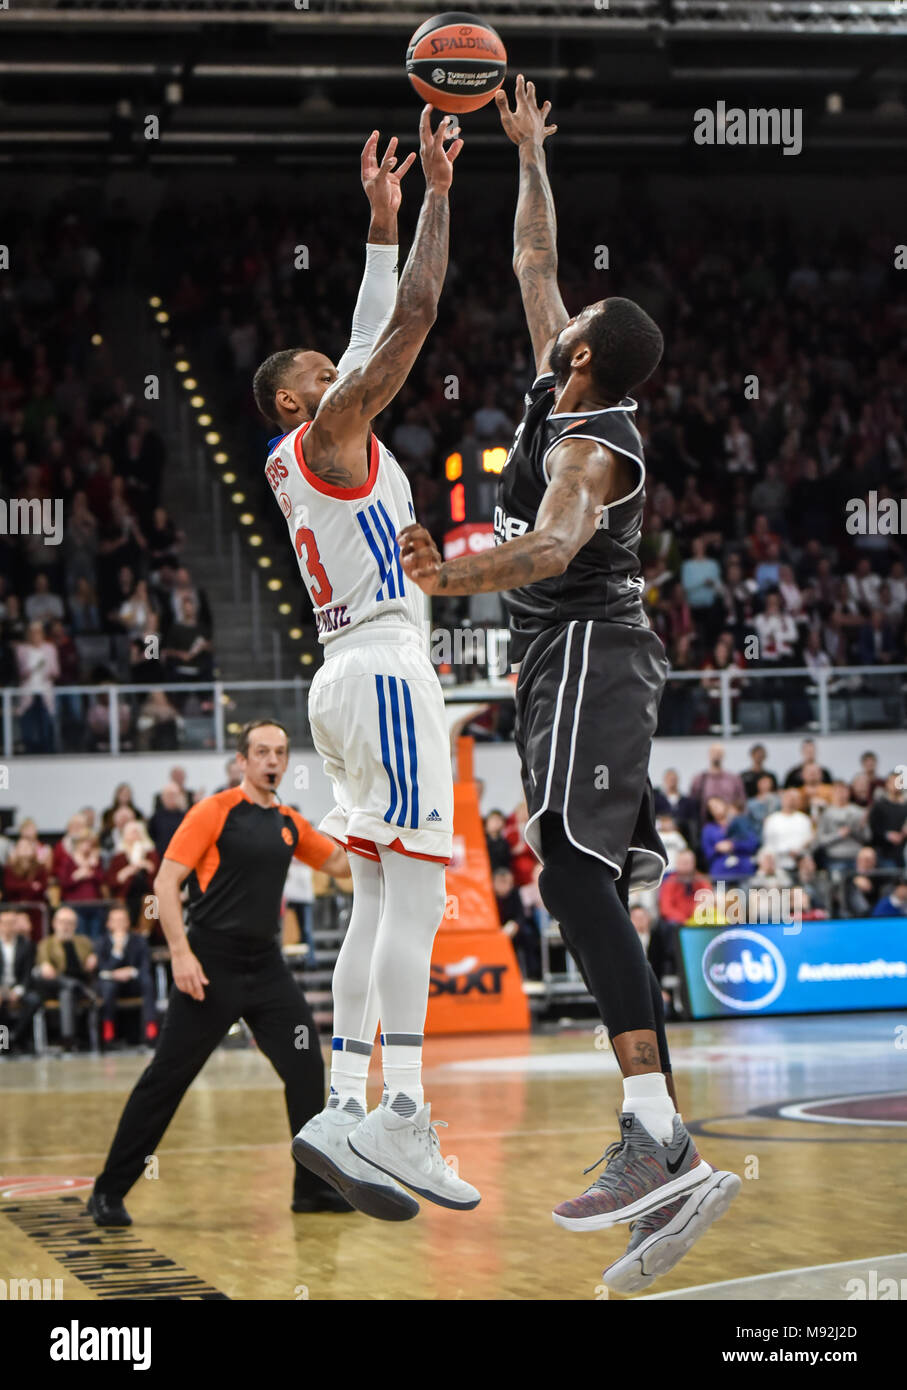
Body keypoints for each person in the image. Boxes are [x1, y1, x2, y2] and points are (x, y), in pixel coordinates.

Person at [397, 75, 738, 1292]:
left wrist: (452, 578)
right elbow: (534, 253)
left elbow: (549, 550)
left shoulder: (594, 447)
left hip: (591, 641)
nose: (554, 311)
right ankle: (663, 1148)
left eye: (571, 317)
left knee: (575, 869)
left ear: (584, 353)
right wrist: (527, 154)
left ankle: (656, 1133)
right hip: (562, 654)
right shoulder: (562, 379)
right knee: (572, 873)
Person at [253, 113, 478, 1217]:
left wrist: (377, 225)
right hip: (384, 672)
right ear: (302, 400)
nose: (336, 361)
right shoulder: (334, 426)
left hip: (345, 672)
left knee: (379, 900)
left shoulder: (316, 443)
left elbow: (366, 320)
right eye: (318, 368)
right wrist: (437, 194)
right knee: (421, 894)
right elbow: (411, 318)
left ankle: (344, 1101)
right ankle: (404, 1112)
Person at [87, 720, 355, 1226]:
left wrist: (378, 826)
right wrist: (182, 954)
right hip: (209, 969)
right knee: (167, 1079)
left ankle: (312, 1190)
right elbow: (165, 885)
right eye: (261, 752)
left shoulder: (290, 823)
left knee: (306, 1068)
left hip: (267, 970)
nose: (272, 761)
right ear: (242, 760)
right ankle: (107, 1192)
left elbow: (339, 866)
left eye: (279, 752)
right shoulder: (213, 811)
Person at [34, 906, 99, 1051]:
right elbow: (44, 966)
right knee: (65, 987)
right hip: (56, 983)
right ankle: (75, 987)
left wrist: (94, 958)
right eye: (63, 922)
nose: (66, 926)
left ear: (75, 925)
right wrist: (45, 965)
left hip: (80, 983)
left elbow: (93, 959)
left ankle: (68, 1039)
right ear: (54, 923)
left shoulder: (84, 942)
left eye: (70, 923)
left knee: (67, 992)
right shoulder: (47, 943)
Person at [95, 905, 158, 1046]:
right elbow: (102, 969)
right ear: (108, 924)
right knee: (108, 987)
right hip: (111, 983)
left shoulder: (139, 940)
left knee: (147, 981)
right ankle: (108, 1029)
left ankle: (151, 1027)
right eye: (115, 920)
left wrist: (131, 972)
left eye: (122, 920)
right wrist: (117, 952)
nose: (119, 924)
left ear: (128, 922)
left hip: (133, 981)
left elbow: (145, 965)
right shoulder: (101, 942)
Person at [0, 908, 41, 1054]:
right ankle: (3, 1043)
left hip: (19, 987)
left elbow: (27, 973)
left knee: (34, 1000)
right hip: (1, 988)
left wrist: (18, 990)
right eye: (6, 923)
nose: (9, 926)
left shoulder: (26, 944)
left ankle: (16, 1036)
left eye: (12, 923)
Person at [690, 743, 746, 823]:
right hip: (705, 824)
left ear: (723, 755)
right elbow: (693, 803)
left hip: (730, 824)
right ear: (709, 754)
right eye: (714, 752)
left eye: (719, 752)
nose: (716, 755)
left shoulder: (734, 779)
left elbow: (742, 801)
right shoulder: (699, 779)